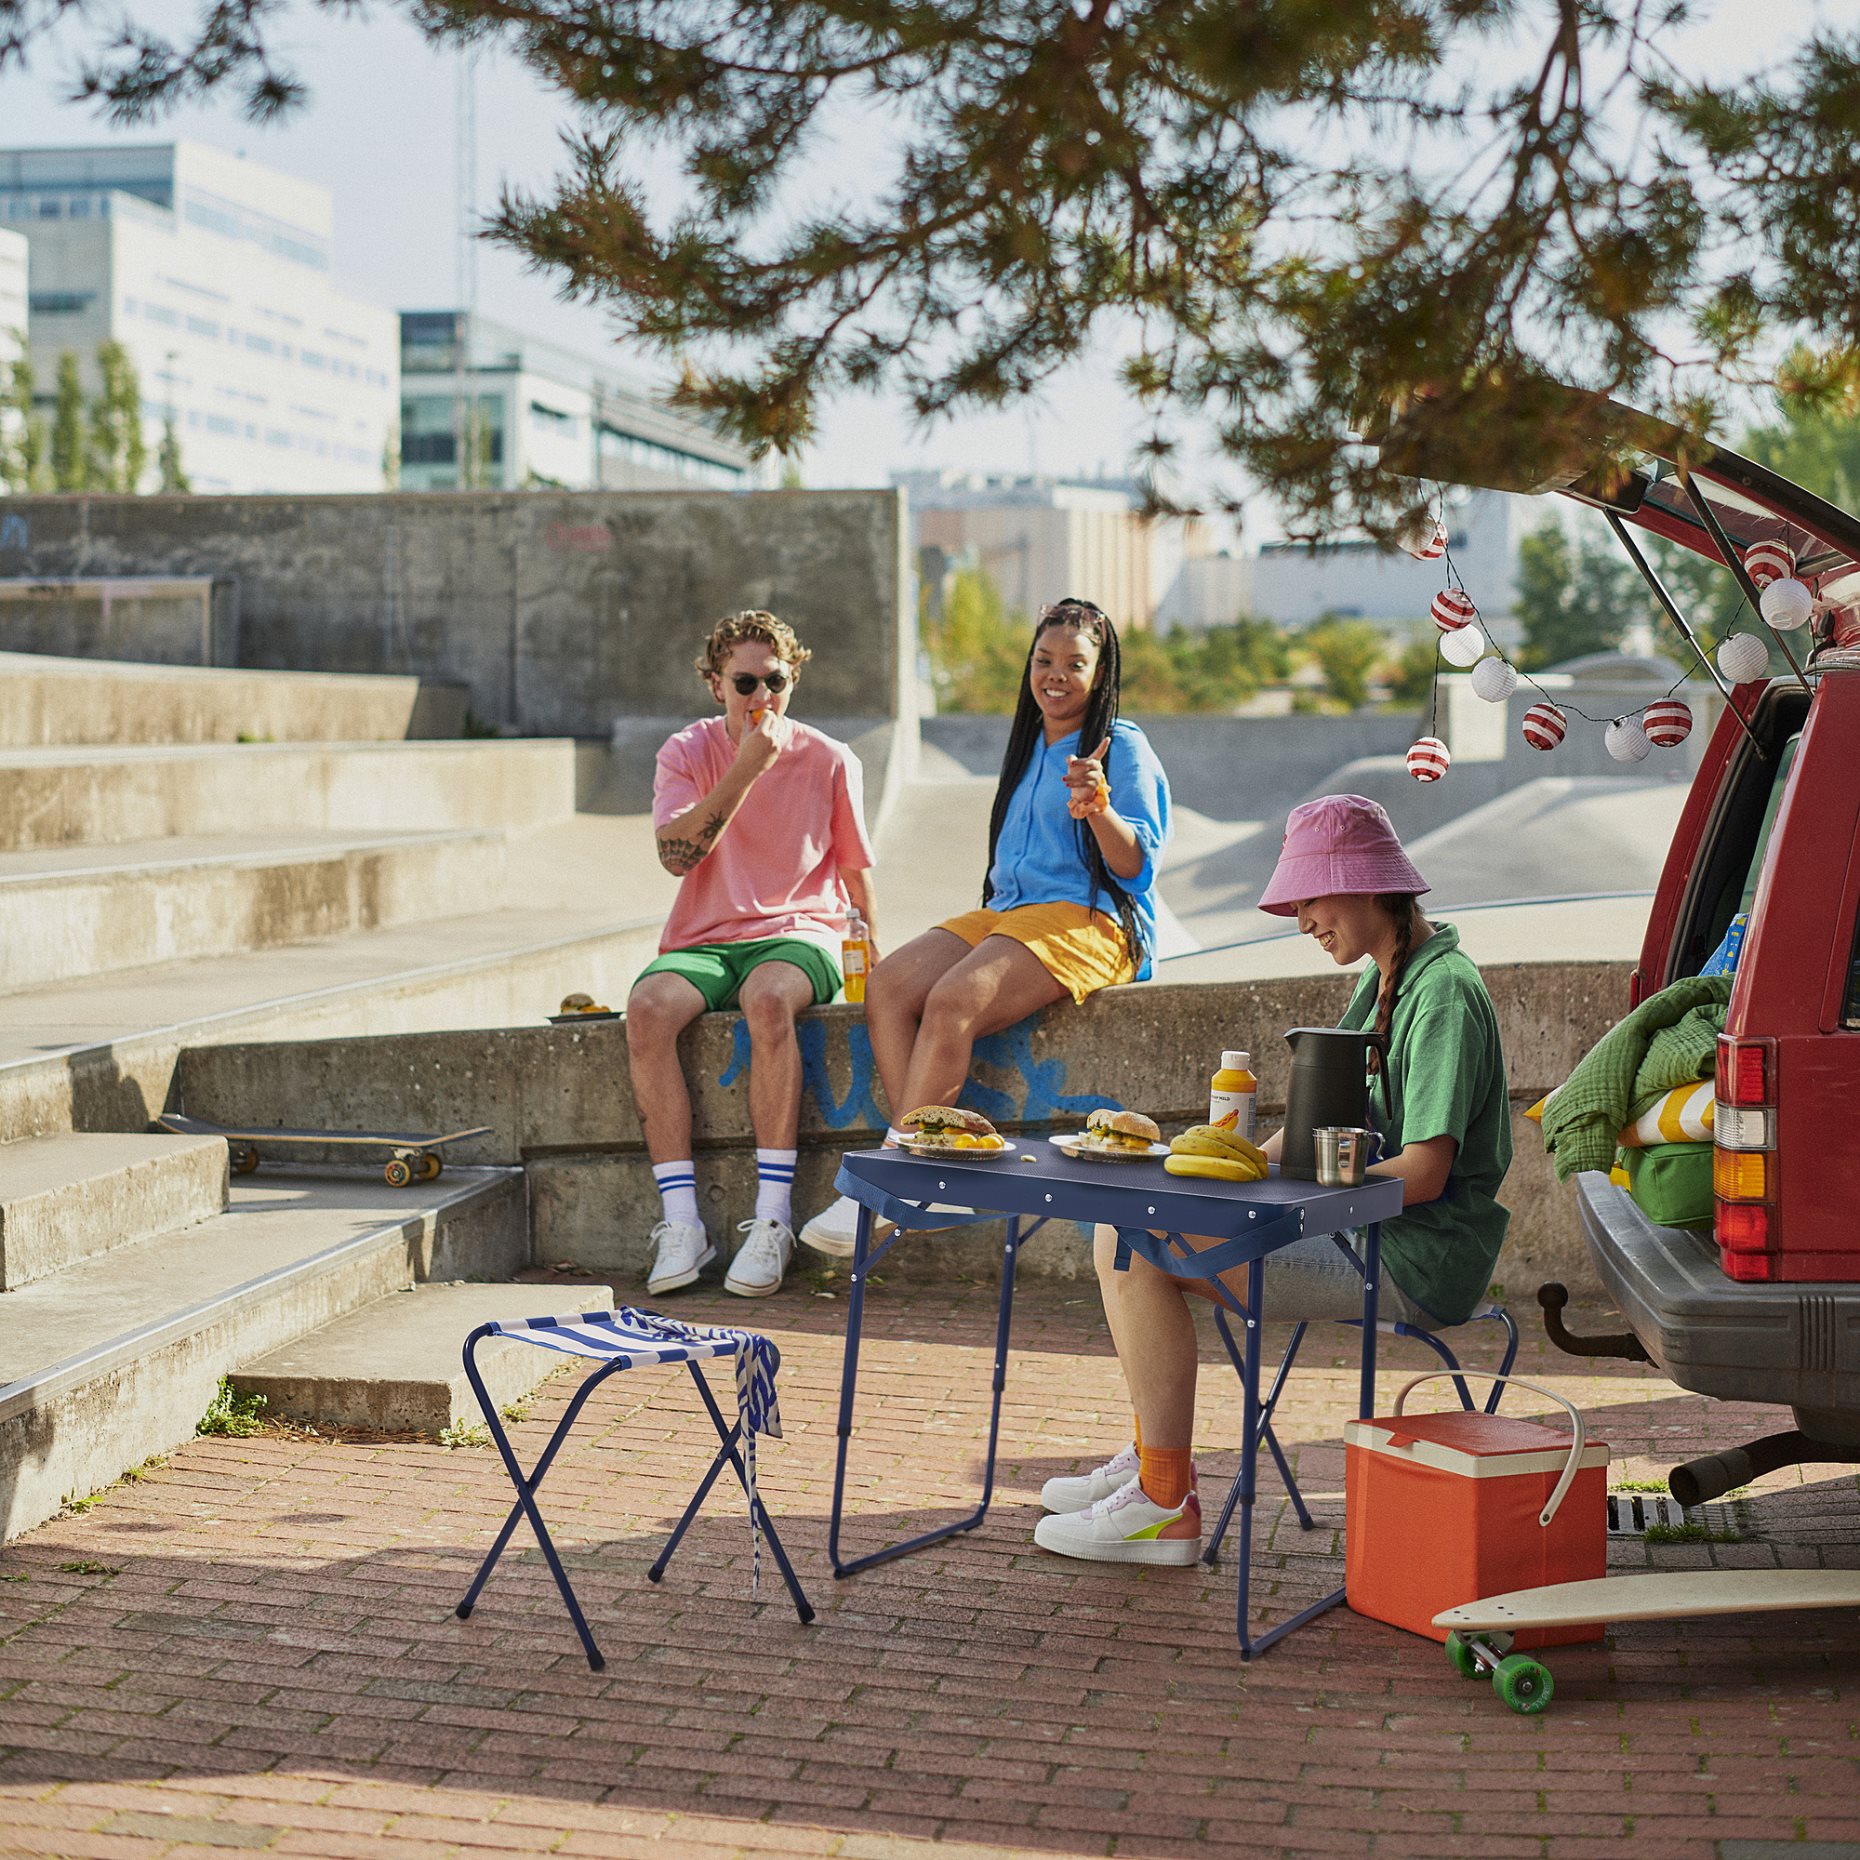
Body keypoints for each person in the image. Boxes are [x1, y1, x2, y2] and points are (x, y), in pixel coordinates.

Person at [1033, 792, 1512, 1564]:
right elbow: (1321, 1128)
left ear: (1363, 882)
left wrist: (1297, 1198)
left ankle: (1163, 1501)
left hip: (1416, 1257)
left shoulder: (1442, 992)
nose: (1304, 923)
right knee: (1124, 1232)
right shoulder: (1389, 979)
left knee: (1132, 1246)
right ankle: (1155, 1462)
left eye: (1311, 899)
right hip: (1365, 1231)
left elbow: (1422, 1174)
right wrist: (1226, 1159)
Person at [800, 596, 1171, 1255]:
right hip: (1009, 913)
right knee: (888, 986)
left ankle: (901, 1175)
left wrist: (1099, 807)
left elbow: (1137, 865)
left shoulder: (1124, 746)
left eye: (1075, 664)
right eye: (1044, 659)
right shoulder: (1029, 745)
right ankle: (930, 1159)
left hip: (1091, 919)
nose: (1055, 674)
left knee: (952, 1000)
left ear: (1102, 672)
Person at [629, 609, 878, 1298]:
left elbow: (855, 872)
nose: (760, 698)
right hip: (705, 937)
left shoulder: (830, 758)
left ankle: (771, 1221)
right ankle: (682, 1222)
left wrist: (874, 958)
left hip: (802, 930)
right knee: (647, 1009)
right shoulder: (685, 751)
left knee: (767, 1000)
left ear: (792, 678)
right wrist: (745, 768)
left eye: (774, 681)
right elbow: (676, 858)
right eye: (744, 683)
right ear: (716, 685)